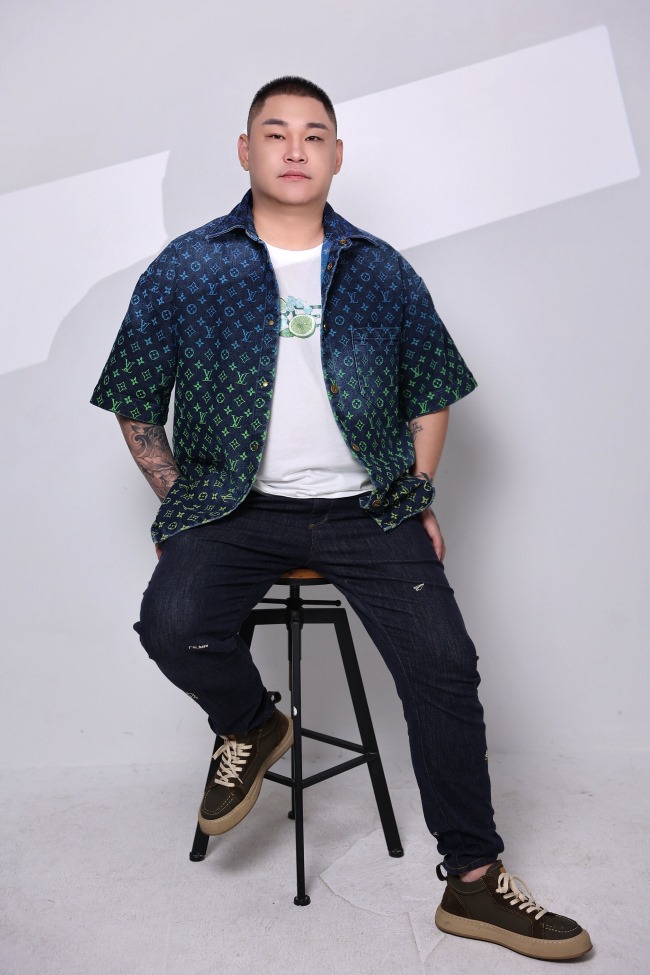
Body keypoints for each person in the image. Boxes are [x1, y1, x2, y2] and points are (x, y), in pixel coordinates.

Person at [91, 76, 591, 961]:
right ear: (245, 151)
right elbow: (135, 396)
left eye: (314, 134)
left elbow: (432, 389)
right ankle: (251, 721)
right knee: (171, 624)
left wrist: (418, 491)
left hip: (367, 508)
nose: (295, 149)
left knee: (446, 667)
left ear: (336, 156)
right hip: (234, 506)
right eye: (275, 132)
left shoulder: (380, 268)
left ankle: (474, 881)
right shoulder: (189, 265)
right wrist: (183, 502)